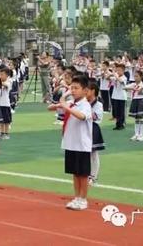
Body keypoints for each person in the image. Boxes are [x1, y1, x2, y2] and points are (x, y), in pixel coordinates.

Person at [48, 74, 92, 211]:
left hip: (82, 144)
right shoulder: (71, 104)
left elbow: (81, 116)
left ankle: (83, 198)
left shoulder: (84, 105)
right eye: (72, 88)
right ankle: (77, 197)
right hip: (71, 143)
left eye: (76, 88)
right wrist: (62, 101)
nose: (73, 91)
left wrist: (66, 106)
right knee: (75, 172)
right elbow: (50, 107)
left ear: (85, 91)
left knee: (83, 174)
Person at [87, 79, 104, 186]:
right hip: (84, 128)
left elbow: (95, 117)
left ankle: (94, 177)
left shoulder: (98, 104)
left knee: (93, 153)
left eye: (87, 90)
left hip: (93, 128)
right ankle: (87, 174)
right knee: (85, 153)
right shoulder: (84, 102)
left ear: (93, 91)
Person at [124, 70, 143, 141]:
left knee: (141, 118)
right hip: (134, 101)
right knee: (136, 119)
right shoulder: (133, 84)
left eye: (137, 76)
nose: (135, 78)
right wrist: (131, 88)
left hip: (141, 101)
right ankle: (136, 134)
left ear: (141, 77)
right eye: (134, 76)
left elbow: (142, 93)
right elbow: (124, 87)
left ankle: (141, 135)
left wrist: (139, 88)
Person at [109, 64, 127, 130]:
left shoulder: (124, 77)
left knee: (121, 111)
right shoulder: (115, 76)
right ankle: (117, 124)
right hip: (115, 96)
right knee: (116, 111)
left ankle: (122, 124)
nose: (118, 71)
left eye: (119, 70)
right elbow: (108, 78)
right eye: (117, 70)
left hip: (122, 97)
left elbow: (121, 81)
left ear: (123, 71)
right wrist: (111, 73)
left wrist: (115, 75)